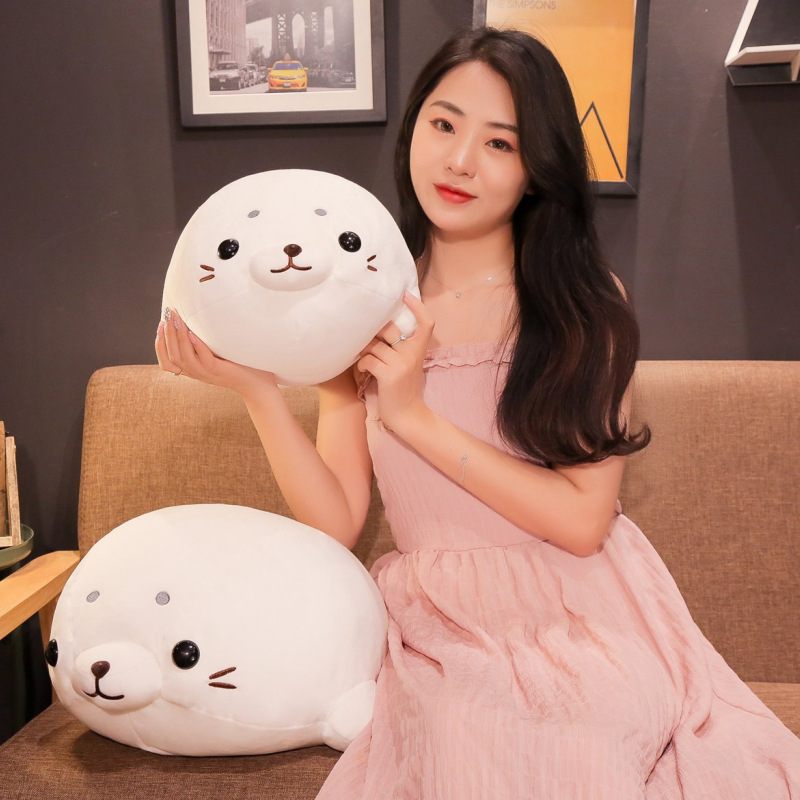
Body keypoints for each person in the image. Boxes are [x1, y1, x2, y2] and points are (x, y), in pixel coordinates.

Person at [156, 26, 800, 800]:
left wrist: (413, 416)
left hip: (583, 611)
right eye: (444, 124)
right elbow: (336, 523)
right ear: (413, 130)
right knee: (464, 741)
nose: (460, 160)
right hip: (437, 624)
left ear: (535, 170)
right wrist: (260, 392)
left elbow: (582, 522)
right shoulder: (358, 302)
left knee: (568, 748)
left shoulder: (582, 304)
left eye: (500, 143)